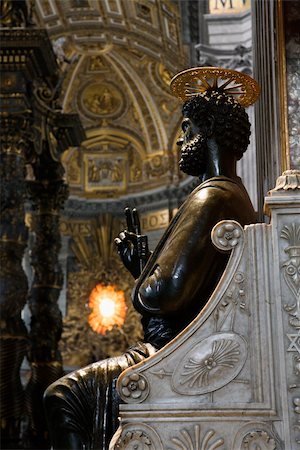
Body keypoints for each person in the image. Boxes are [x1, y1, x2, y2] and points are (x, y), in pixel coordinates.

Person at [44, 68, 259, 450]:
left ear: (205, 129)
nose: (179, 140)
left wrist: (142, 279)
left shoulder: (211, 197)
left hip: (180, 351)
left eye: (187, 129)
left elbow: (163, 294)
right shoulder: (231, 194)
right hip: (193, 343)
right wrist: (141, 268)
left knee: (64, 395)